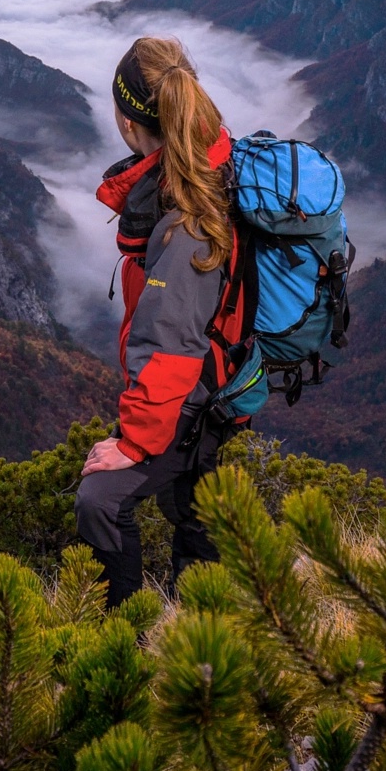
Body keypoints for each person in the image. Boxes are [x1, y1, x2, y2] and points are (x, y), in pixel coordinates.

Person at [75, 35, 254, 606]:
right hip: (223, 374)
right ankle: (204, 637)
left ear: (129, 124)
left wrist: (133, 442)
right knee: (193, 512)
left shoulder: (185, 224)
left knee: (101, 501)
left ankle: (121, 639)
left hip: (194, 392)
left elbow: (170, 345)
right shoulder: (210, 155)